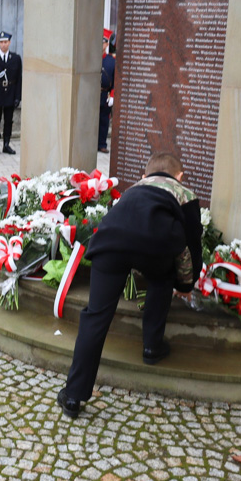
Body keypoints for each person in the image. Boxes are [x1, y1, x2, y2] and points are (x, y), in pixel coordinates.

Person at [57, 153, 203, 419]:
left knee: (96, 316)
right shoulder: (185, 195)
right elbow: (191, 244)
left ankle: (73, 396)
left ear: (144, 176)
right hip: (156, 247)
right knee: (163, 276)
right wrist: (186, 283)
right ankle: (152, 346)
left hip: (110, 245)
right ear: (180, 177)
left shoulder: (134, 189)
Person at [99, 29, 116, 154]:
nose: (101, 44)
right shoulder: (91, 58)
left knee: (104, 120)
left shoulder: (111, 61)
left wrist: (113, 95)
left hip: (104, 94)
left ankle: (102, 144)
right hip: (91, 94)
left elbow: (115, 79)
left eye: (104, 42)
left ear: (106, 44)